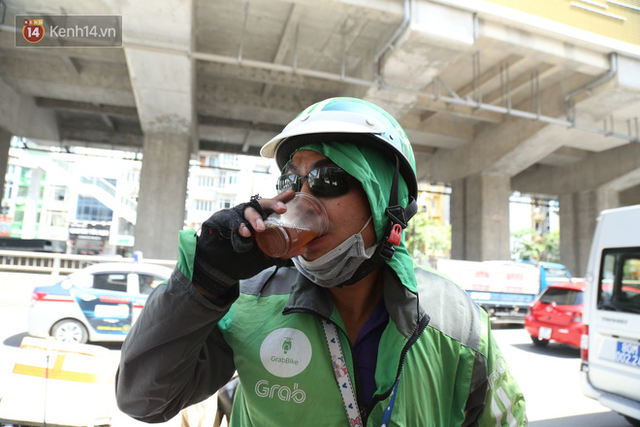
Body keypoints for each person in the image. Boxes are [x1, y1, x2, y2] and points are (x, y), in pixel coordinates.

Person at [115, 97, 527, 426]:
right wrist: (203, 283)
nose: (301, 198)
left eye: (329, 179)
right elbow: (144, 401)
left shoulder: (455, 320)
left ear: (388, 205)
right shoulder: (249, 301)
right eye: (291, 181)